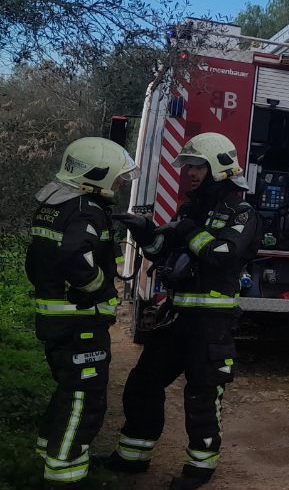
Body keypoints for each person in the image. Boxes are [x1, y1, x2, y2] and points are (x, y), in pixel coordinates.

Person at [102, 132, 262, 490]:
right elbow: (162, 249)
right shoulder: (190, 209)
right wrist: (146, 234)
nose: (189, 172)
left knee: (202, 397)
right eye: (187, 165)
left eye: (196, 165)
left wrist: (189, 231)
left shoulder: (242, 213)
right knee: (143, 382)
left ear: (219, 168)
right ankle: (132, 457)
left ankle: (200, 469)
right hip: (176, 320)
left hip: (212, 326)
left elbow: (223, 255)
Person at [28, 137, 137, 489]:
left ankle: (48, 455)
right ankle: (64, 476)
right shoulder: (84, 210)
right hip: (79, 321)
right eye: (117, 176)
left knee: (67, 390)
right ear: (97, 173)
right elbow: (75, 257)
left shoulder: (54, 203)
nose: (120, 183)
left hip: (56, 318)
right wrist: (100, 288)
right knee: (84, 397)